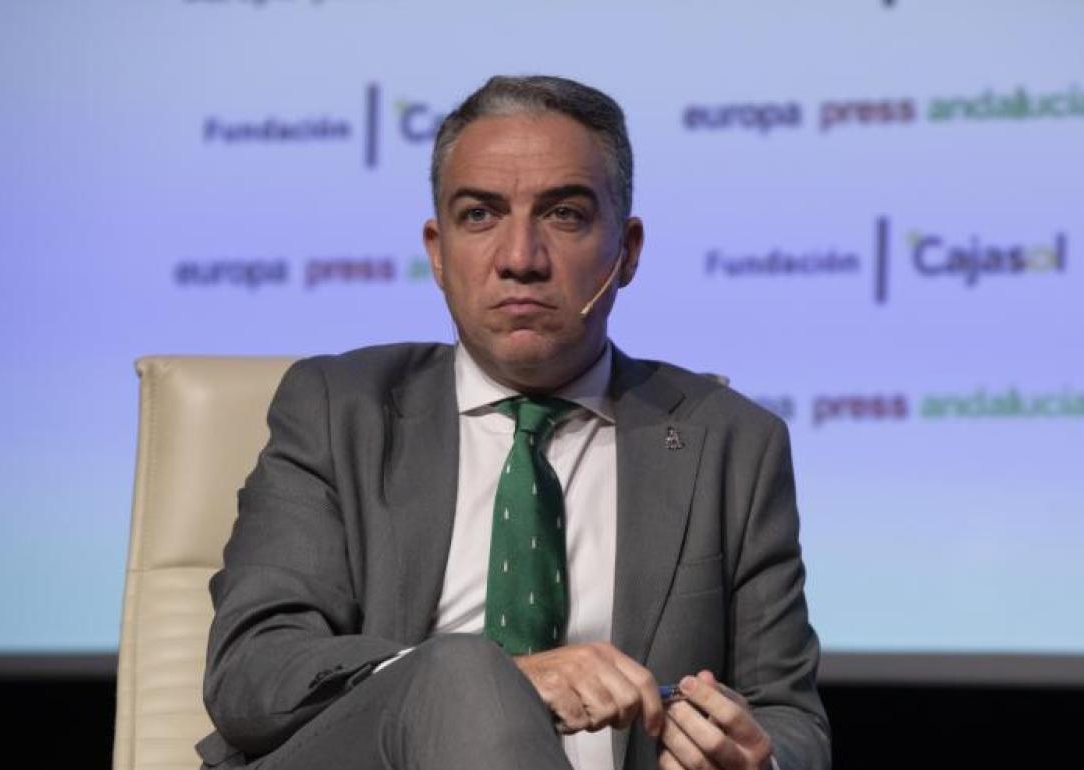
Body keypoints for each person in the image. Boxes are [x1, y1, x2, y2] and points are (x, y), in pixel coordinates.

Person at [196, 75, 831, 770]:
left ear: (628, 251)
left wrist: (753, 756)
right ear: (437, 252)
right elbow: (253, 672)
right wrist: (484, 683)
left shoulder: (733, 445)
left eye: (564, 215)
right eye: (479, 215)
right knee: (463, 669)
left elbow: (790, 719)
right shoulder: (336, 409)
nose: (520, 259)